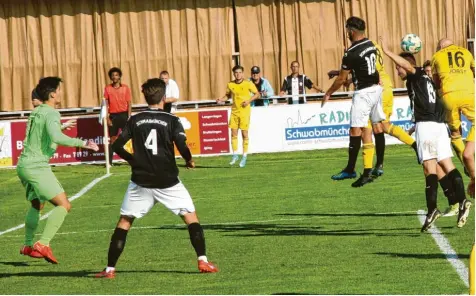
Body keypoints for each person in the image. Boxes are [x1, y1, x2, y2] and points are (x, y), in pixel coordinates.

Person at [95, 78, 218, 278]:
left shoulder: (135, 119)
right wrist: (189, 160)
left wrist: (133, 161)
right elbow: (182, 144)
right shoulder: (171, 120)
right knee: (190, 218)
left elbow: (116, 146)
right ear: (163, 97)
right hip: (168, 180)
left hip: (141, 180)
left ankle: (109, 269)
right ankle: (202, 260)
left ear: (145, 96)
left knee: (125, 222)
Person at [379, 37, 472, 231]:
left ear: (408, 66)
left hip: (427, 127)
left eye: (398, 68)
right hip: (438, 125)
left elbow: (406, 64)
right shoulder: (427, 80)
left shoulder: (417, 73)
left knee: (429, 168)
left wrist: (388, 51)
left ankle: (433, 209)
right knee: (447, 164)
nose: (397, 71)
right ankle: (462, 201)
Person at [18, 77, 99, 263]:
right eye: (59, 90)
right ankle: (43, 243)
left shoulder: (36, 111)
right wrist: (83, 143)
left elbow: (42, 134)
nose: (61, 93)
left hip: (23, 166)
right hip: (37, 167)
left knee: (37, 204)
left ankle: (28, 244)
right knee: (64, 205)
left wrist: (61, 127)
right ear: (53, 93)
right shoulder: (52, 113)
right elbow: (56, 137)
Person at [329, 41, 418, 179]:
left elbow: (364, 69)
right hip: (385, 85)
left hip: (376, 87)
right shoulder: (373, 46)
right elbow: (367, 68)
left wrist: (341, 75)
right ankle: (378, 166)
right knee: (384, 126)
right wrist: (348, 78)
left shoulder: (362, 49)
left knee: (368, 128)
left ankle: (367, 169)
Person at [322, 16, 385, 187]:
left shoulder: (351, 53)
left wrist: (328, 93)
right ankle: (378, 165)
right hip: (376, 89)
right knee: (378, 127)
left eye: (347, 30)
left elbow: (342, 79)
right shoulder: (371, 45)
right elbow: (363, 67)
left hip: (363, 93)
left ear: (351, 30)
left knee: (355, 130)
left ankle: (350, 169)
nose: (346, 33)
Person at [431, 38, 475, 197]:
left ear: (440, 46)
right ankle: (470, 155)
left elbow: (436, 83)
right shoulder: (466, 52)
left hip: (449, 96)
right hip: (470, 95)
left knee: (455, 134)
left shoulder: (437, 55)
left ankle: (467, 163)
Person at [216, 65, 260, 168]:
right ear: (233, 74)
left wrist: (248, 101)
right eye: (236, 73)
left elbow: (257, 94)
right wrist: (221, 99)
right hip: (234, 111)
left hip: (244, 112)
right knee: (233, 133)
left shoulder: (248, 83)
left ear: (243, 73)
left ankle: (244, 156)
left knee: (244, 134)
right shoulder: (230, 84)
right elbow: (228, 95)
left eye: (240, 72)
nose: (238, 74)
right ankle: (235, 154)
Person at [104, 67, 132, 166]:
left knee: (129, 137)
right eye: (113, 75)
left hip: (124, 115)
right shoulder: (107, 88)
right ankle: (109, 163)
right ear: (110, 77)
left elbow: (129, 103)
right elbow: (105, 104)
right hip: (113, 116)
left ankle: (132, 159)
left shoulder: (125, 88)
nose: (114, 77)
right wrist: (107, 118)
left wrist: (129, 116)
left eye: (116, 75)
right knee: (112, 139)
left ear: (119, 76)